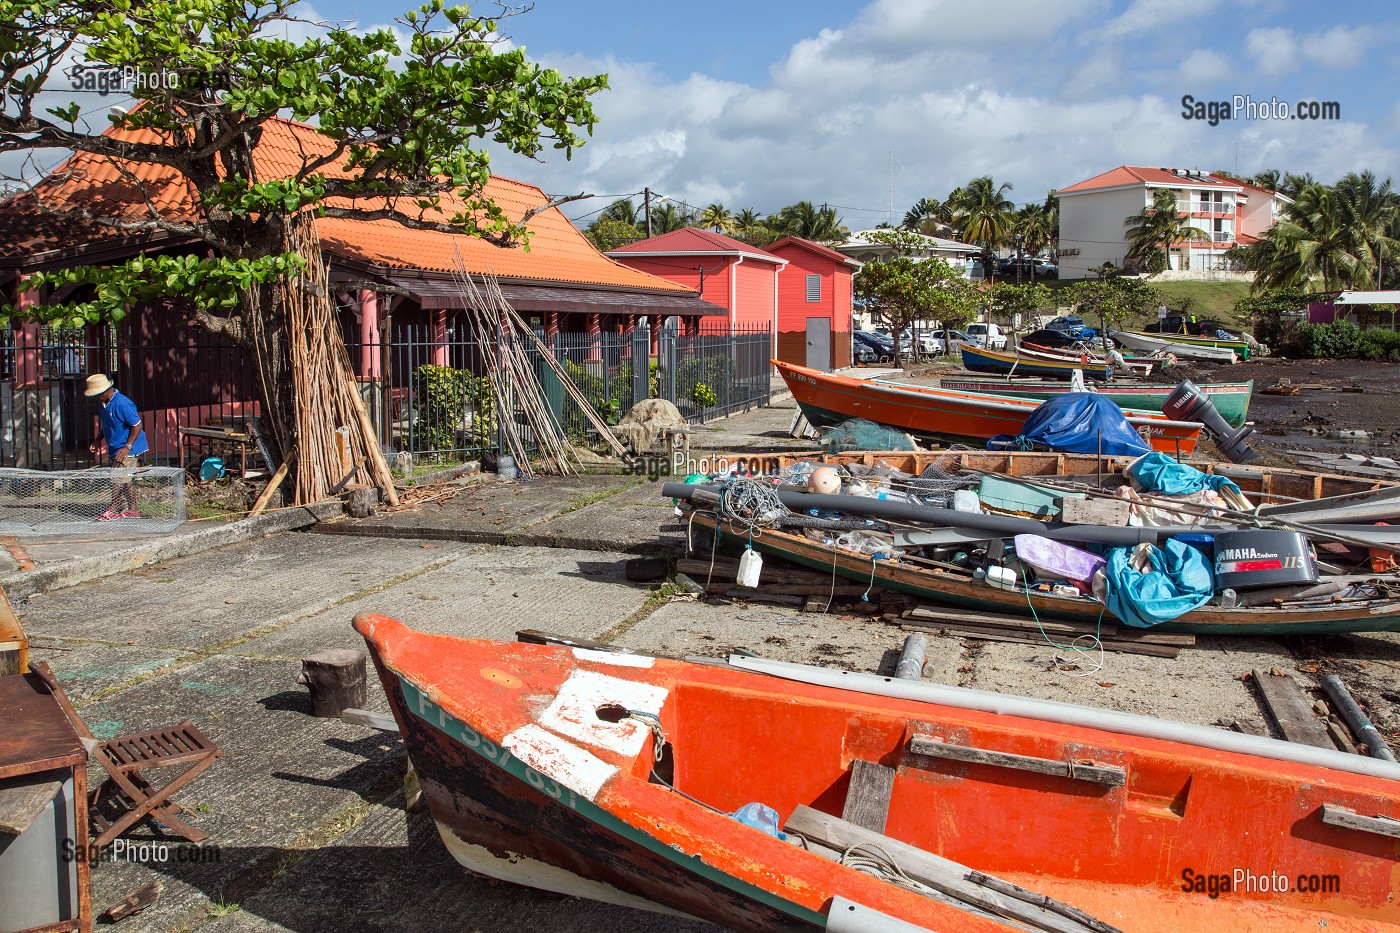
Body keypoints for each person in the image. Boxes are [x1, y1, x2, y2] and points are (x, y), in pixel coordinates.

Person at [84, 373, 148, 520]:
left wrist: (127, 446)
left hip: (128, 447)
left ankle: (113, 508)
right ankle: (132, 509)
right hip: (116, 446)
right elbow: (108, 424)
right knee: (125, 479)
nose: (95, 398)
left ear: (104, 391)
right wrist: (98, 439)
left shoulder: (122, 403)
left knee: (116, 478)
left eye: (96, 394)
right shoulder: (104, 403)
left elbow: (137, 425)